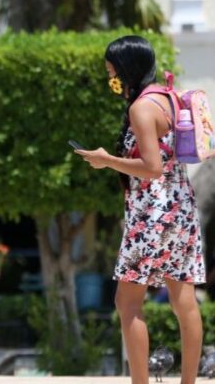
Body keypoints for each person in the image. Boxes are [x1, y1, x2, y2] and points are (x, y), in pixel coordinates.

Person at [77, 35, 204, 384]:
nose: (110, 79)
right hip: (181, 206)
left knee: (128, 302)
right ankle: (189, 382)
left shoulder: (141, 108)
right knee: (184, 299)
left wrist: (106, 161)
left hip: (151, 213)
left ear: (126, 69)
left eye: (111, 71)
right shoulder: (170, 97)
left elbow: (151, 168)